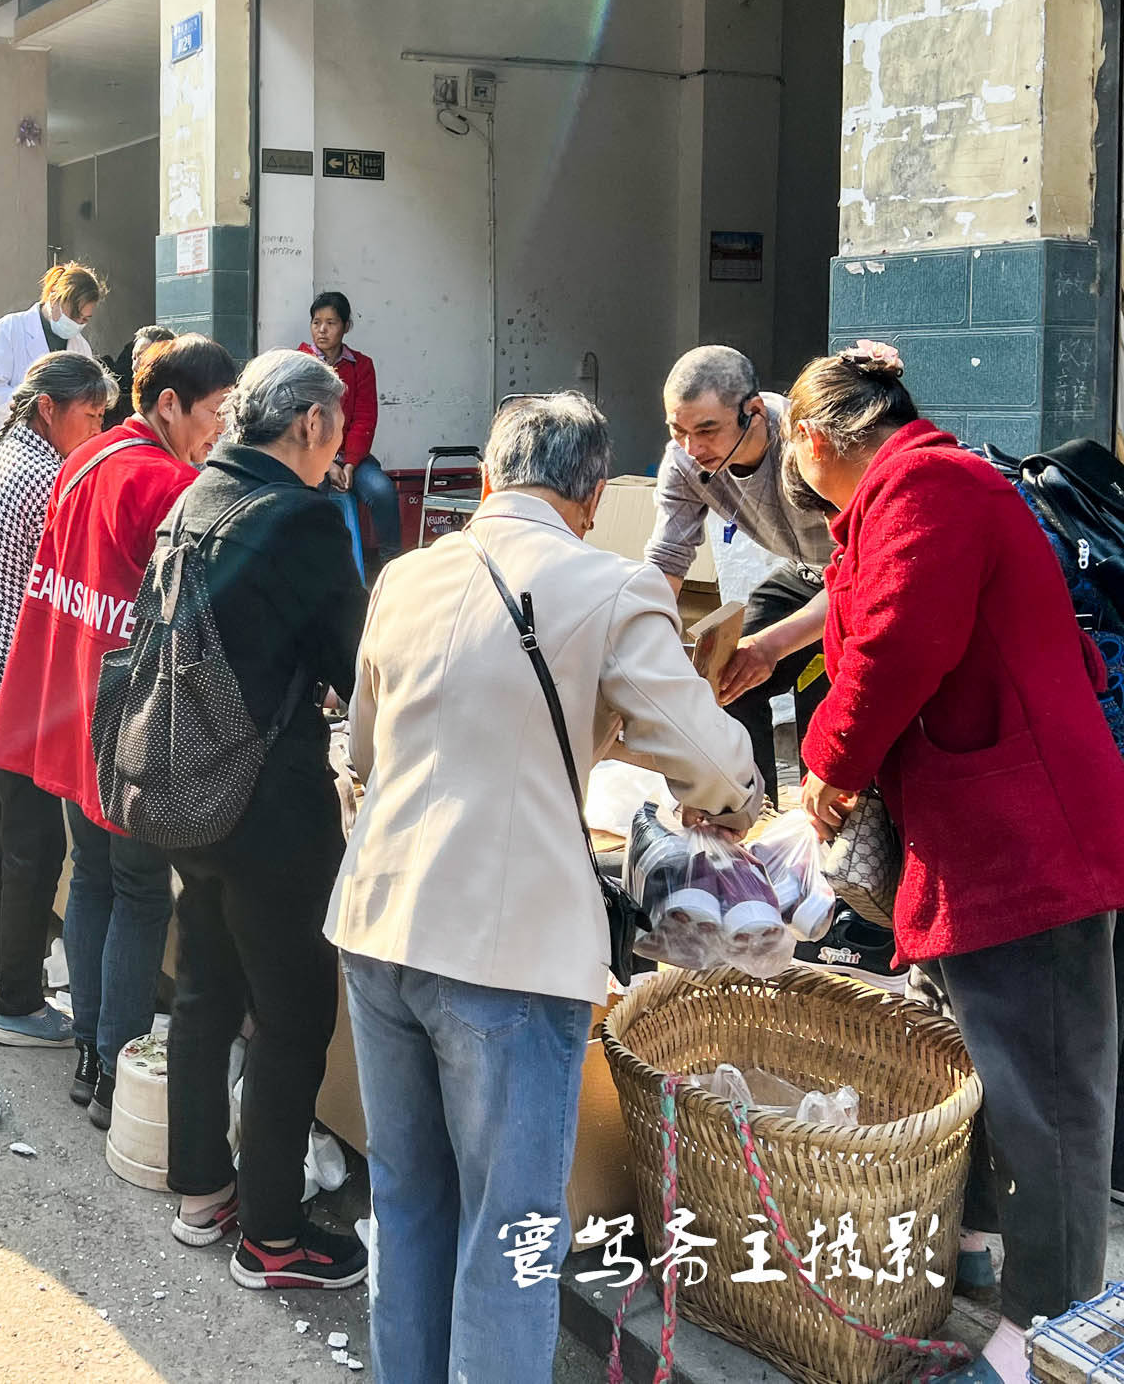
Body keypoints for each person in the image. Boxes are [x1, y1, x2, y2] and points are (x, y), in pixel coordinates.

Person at [329, 391, 764, 1382]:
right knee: (512, 1232)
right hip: (506, 951)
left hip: (377, 923)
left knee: (405, 1203)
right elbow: (704, 754)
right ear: (583, 496)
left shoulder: (405, 577)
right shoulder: (606, 585)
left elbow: (359, 745)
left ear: (487, 481)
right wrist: (734, 800)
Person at [786, 343, 1124, 1384]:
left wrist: (827, 765)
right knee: (970, 1062)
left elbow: (895, 645)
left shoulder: (927, 485)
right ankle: (972, 1252)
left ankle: (1052, 1325)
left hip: (1023, 838)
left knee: (1047, 1093)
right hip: (980, 829)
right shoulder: (906, 488)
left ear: (811, 439)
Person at [158, 350, 370, 1289]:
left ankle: (203, 1190)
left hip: (181, 788)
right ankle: (274, 1238)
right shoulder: (302, 515)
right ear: (312, 427)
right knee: (291, 1017)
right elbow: (356, 659)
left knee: (206, 985)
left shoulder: (197, 492)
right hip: (267, 802)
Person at [0, 335, 237, 1123]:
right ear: (167, 404)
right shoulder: (164, 483)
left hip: (73, 707)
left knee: (92, 877)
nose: (219, 433)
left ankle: (92, 1054)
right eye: (215, 414)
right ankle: (118, 1068)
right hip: (130, 725)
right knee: (138, 892)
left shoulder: (86, 460)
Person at [0, 352, 115, 1043]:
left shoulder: (4, 451)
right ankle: (19, 1005)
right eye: (94, 414)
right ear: (50, 409)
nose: (101, 427)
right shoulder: (51, 477)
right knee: (34, 845)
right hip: (14, 690)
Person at [645, 345, 836, 803]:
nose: (693, 448)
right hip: (804, 573)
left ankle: (830, 845)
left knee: (829, 715)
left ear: (753, 412)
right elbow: (667, 561)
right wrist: (642, 636)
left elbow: (864, 574)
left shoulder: (809, 445)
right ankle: (754, 812)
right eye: (679, 431)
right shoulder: (685, 461)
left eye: (707, 430)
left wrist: (771, 646)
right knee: (730, 675)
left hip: (862, 577)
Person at [296, 292, 399, 563]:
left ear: (346, 327)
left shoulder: (362, 366)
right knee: (311, 494)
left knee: (382, 491)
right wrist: (327, 463)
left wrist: (351, 463)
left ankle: (391, 561)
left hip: (353, 457)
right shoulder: (300, 363)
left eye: (331, 322)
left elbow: (365, 419)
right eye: (316, 322)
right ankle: (315, 563)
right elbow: (298, 418)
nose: (322, 330)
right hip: (311, 455)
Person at [0, 263, 104, 447]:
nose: (77, 323)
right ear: (54, 299)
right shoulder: (11, 329)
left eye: (84, 319)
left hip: (56, 448)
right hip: (8, 444)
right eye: (73, 315)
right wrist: (36, 406)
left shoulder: (80, 347)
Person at [105, 325, 173, 430]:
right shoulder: (116, 409)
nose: (134, 367)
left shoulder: (179, 408)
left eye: (142, 357)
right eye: (134, 358)